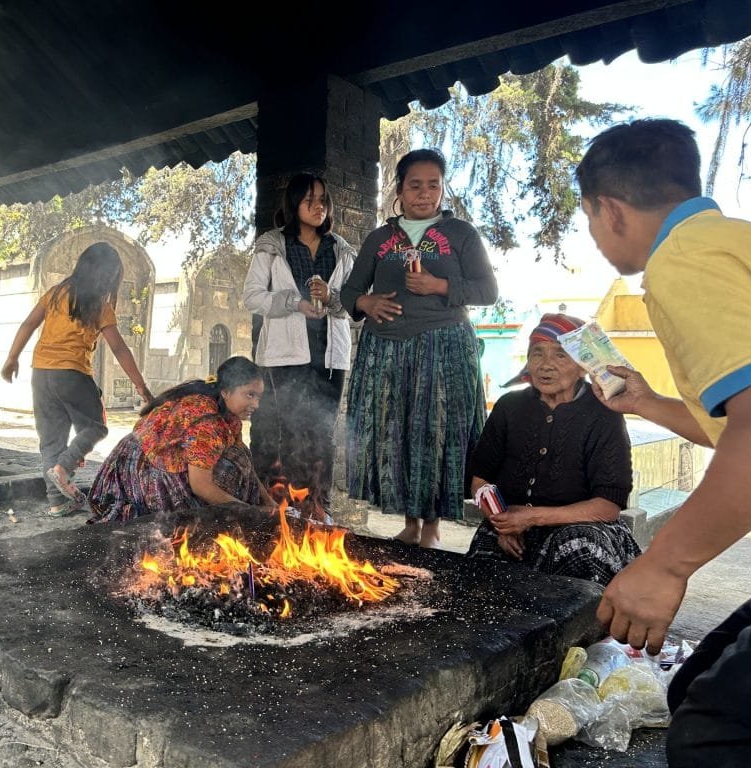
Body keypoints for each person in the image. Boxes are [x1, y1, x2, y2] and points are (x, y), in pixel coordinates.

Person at [576, 117, 751, 766]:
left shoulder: (680, 263)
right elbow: (742, 424)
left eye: (588, 218)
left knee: (716, 736)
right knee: (693, 691)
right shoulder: (740, 240)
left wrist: (663, 565)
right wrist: (649, 403)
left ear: (609, 210)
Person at [340, 148, 498, 548]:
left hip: (443, 346)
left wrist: (440, 286)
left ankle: (432, 528)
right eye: (415, 185)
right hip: (386, 350)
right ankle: (410, 523)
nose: (425, 194)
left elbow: (488, 291)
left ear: (442, 189)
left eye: (433, 185)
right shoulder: (379, 238)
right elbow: (350, 290)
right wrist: (366, 303)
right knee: (397, 433)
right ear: (399, 190)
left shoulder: (461, 234)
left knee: (435, 431)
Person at [465, 313, 639, 584]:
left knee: (579, 548)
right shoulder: (509, 407)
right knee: (480, 580)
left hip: (581, 527)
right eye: (537, 354)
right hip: (511, 524)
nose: (546, 365)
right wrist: (502, 523)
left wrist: (532, 517)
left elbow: (608, 506)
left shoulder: (604, 414)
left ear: (583, 366)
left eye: (560, 355)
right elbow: (480, 479)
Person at [1, 242, 152, 517]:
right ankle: (64, 468)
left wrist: (12, 358)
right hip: (72, 373)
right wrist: (141, 386)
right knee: (96, 427)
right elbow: (118, 347)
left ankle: (57, 502)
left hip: (41, 373)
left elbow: (28, 324)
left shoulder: (56, 293)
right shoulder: (99, 305)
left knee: (50, 441)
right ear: (106, 275)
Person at [242, 172, 356, 518]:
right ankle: (288, 506)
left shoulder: (341, 249)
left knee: (322, 431)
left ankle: (319, 508)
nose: (318, 206)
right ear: (294, 204)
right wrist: (295, 303)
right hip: (285, 355)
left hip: (331, 357)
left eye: (323, 199)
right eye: (309, 199)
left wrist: (332, 297)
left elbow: (356, 304)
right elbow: (252, 297)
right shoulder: (273, 246)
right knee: (289, 430)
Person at [87, 356, 274, 522]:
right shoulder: (207, 421)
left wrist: (269, 502)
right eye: (250, 395)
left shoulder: (227, 414)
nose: (256, 404)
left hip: (163, 458)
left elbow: (247, 466)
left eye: (259, 397)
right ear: (226, 391)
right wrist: (250, 512)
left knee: (240, 455)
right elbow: (201, 486)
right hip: (140, 469)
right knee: (228, 470)